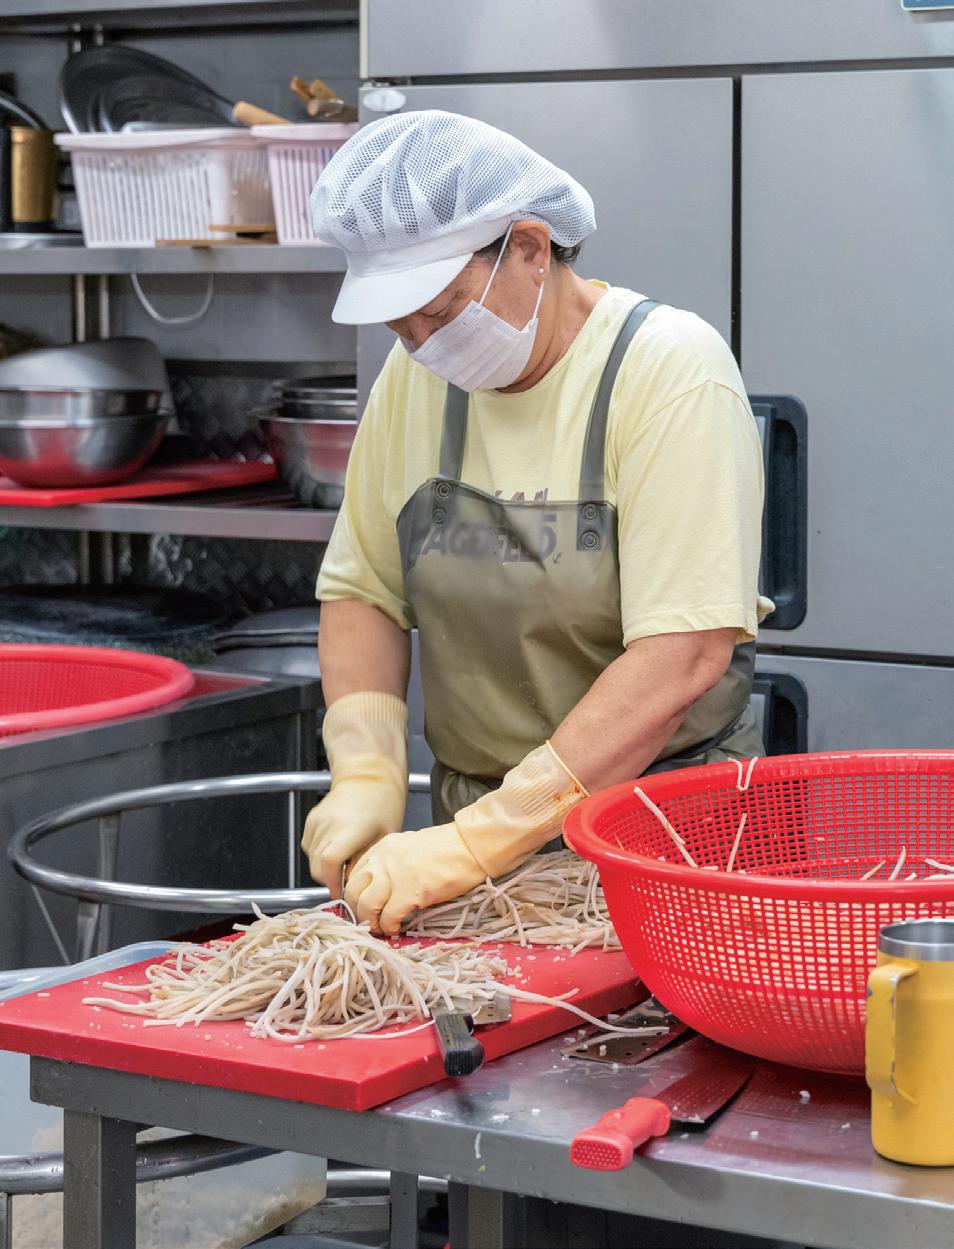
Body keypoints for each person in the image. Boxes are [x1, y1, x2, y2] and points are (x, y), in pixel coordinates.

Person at [303, 110, 773, 935]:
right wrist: (366, 767)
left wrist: (483, 838)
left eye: (443, 313)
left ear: (529, 247)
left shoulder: (667, 370)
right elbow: (364, 588)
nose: (422, 347)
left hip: (664, 843)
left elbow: (684, 653)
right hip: (474, 852)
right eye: (400, 328)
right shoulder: (414, 381)